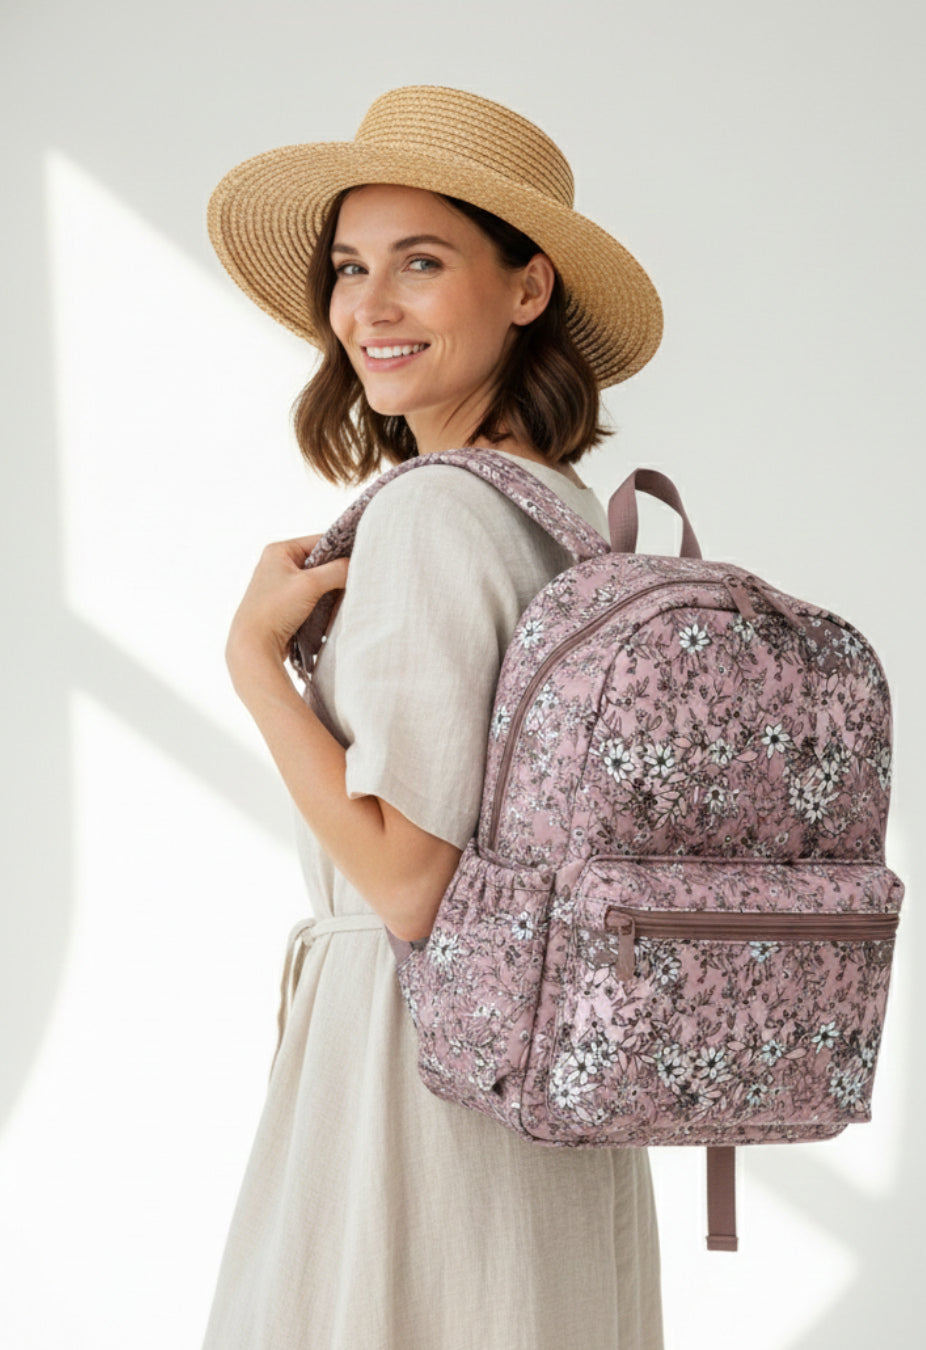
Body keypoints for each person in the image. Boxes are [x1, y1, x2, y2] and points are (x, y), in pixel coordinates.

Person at [199, 84, 666, 1350]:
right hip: (550, 1073)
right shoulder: (564, 512)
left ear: (528, 288)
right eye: (350, 268)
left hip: (415, 1074)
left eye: (421, 261)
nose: (370, 307)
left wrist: (252, 660)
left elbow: (408, 880)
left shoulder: (428, 513)